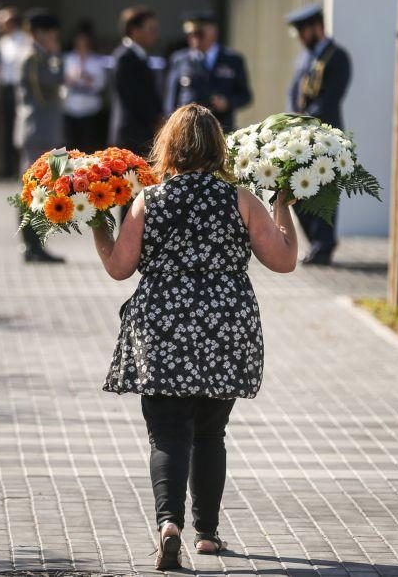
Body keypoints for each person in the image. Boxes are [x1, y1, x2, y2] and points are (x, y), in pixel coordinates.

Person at [92, 103, 297, 570]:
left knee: (167, 435)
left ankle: (169, 524)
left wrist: (100, 227)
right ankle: (207, 534)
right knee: (210, 432)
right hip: (225, 328)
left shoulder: (150, 198)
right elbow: (283, 260)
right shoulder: (241, 199)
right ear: (218, 147)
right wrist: (283, 206)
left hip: (163, 327)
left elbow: (119, 268)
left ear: (170, 147)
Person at [286, 3, 353, 266]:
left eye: (304, 32)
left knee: (324, 191)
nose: (302, 38)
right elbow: (294, 93)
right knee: (294, 188)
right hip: (301, 137)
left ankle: (323, 245)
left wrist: (305, 120)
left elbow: (330, 99)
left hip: (326, 135)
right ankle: (316, 241)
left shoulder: (338, 57)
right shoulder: (306, 58)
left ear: (317, 27)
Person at [15, 9, 65, 264]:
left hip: (49, 131)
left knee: (48, 189)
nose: (53, 39)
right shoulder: (32, 58)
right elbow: (48, 86)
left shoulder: (44, 57)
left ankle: (39, 243)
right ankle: (30, 244)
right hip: (36, 132)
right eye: (49, 34)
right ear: (37, 34)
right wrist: (57, 57)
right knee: (33, 190)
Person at [165, 11, 252, 131]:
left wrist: (227, 103)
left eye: (199, 34)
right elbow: (171, 99)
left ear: (214, 32)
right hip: (188, 128)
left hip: (221, 128)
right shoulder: (180, 59)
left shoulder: (232, 60)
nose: (194, 39)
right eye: (190, 34)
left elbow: (245, 96)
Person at [112, 6, 164, 156]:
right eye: (151, 29)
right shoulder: (125, 57)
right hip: (132, 135)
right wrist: (156, 118)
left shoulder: (139, 56)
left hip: (142, 132)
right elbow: (134, 97)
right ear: (135, 31)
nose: (155, 34)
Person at [62, 21, 108, 153]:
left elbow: (101, 84)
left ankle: (87, 172)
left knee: (88, 143)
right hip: (70, 105)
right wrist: (71, 78)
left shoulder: (97, 60)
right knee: (69, 144)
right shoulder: (68, 58)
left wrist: (88, 78)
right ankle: (67, 173)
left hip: (90, 107)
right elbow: (61, 80)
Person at [0, 7, 29, 176]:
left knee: (21, 125)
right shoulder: (3, 41)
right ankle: (8, 168)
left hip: (19, 88)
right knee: (8, 126)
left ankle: (22, 167)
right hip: (6, 88)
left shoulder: (24, 40)